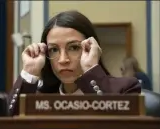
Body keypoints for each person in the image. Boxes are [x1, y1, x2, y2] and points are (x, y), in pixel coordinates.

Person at [8, 10, 141, 116]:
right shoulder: (39, 99)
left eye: (74, 48)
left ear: (92, 49)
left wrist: (90, 69)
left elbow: (116, 122)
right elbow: (9, 122)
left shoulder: (126, 88)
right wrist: (29, 72)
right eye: (54, 49)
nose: (63, 59)